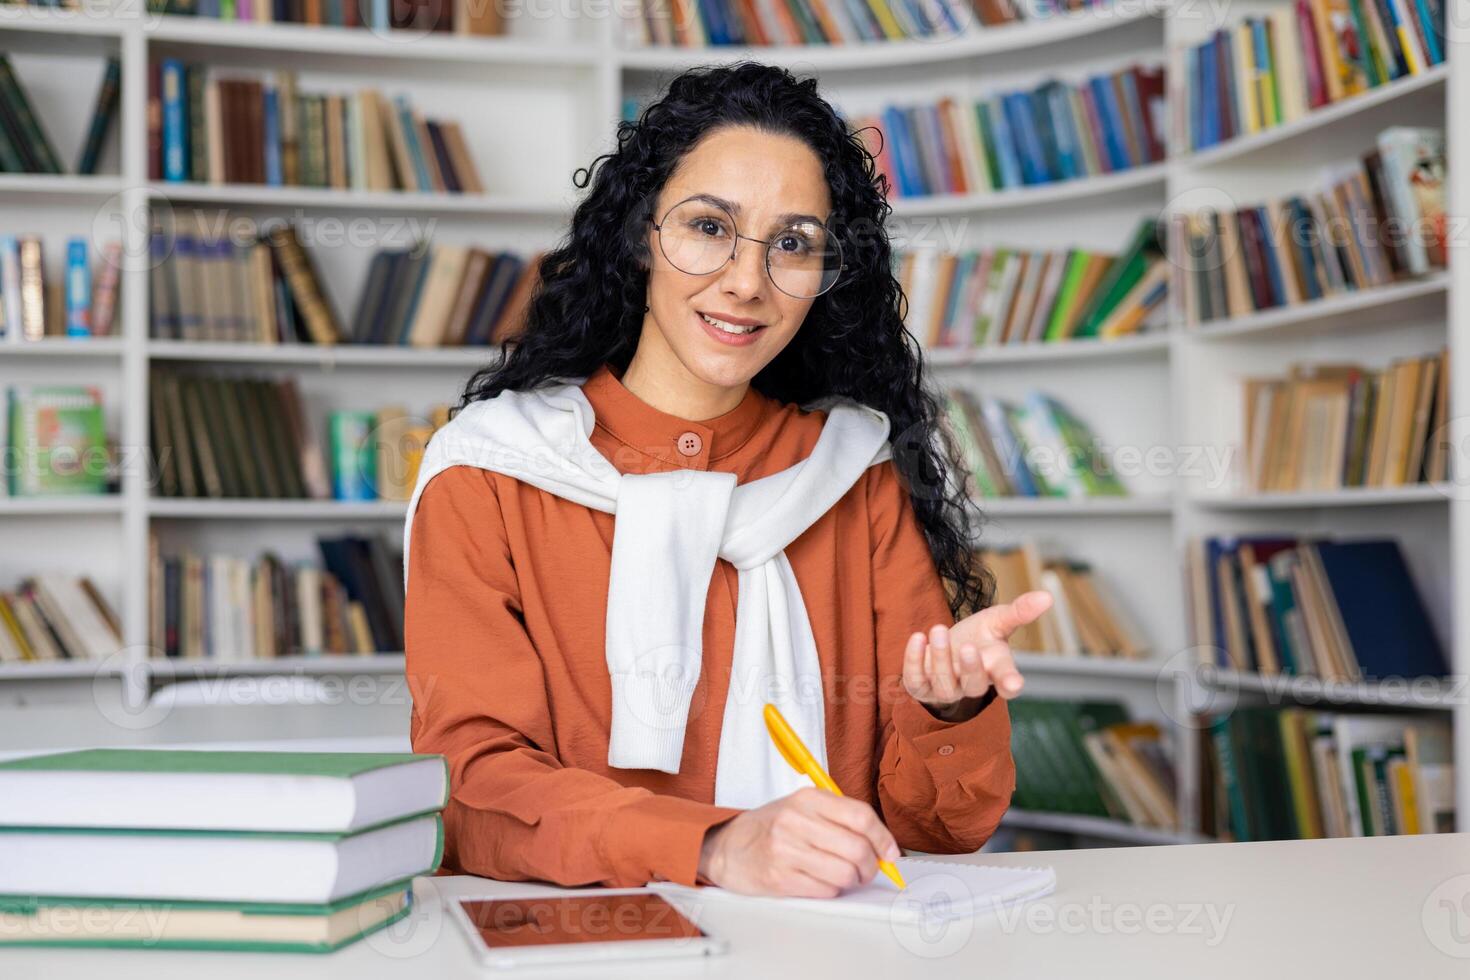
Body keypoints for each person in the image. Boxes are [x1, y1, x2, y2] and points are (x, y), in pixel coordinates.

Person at [403, 61, 1051, 900]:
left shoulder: (852, 474)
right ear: (641, 234)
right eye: (709, 227)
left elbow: (935, 831)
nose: (748, 282)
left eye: (793, 243)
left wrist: (949, 710)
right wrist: (714, 847)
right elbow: (473, 792)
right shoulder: (489, 474)